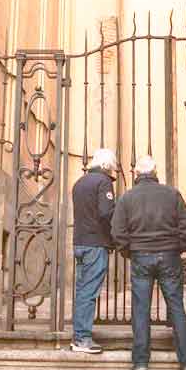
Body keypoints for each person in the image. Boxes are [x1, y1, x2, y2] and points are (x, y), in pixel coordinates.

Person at [111, 156, 186, 370]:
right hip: (169, 255)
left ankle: (140, 363)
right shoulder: (171, 194)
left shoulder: (127, 198)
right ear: (155, 171)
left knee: (140, 309)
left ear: (136, 173)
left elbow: (118, 231)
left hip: (141, 255)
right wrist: (178, 246)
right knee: (176, 306)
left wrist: (129, 251)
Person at [70, 147, 118, 354]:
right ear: (107, 165)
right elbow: (107, 212)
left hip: (80, 242)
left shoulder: (79, 182)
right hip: (95, 244)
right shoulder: (103, 182)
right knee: (89, 292)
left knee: (82, 290)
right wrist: (117, 235)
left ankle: (78, 336)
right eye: (113, 166)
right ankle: (82, 339)